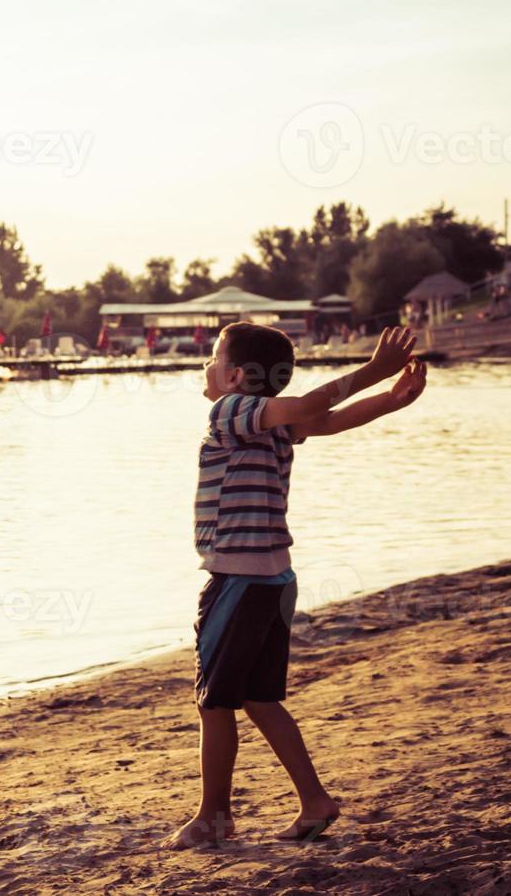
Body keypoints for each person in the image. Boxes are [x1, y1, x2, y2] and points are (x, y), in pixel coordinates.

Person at [167, 324, 427, 849]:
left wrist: (376, 375)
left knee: (214, 703)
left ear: (237, 376)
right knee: (260, 698)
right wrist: (388, 401)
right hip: (274, 581)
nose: (208, 365)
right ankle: (314, 802)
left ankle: (213, 818)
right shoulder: (267, 423)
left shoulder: (229, 410)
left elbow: (311, 408)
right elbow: (325, 420)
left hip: (239, 581)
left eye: (215, 357)